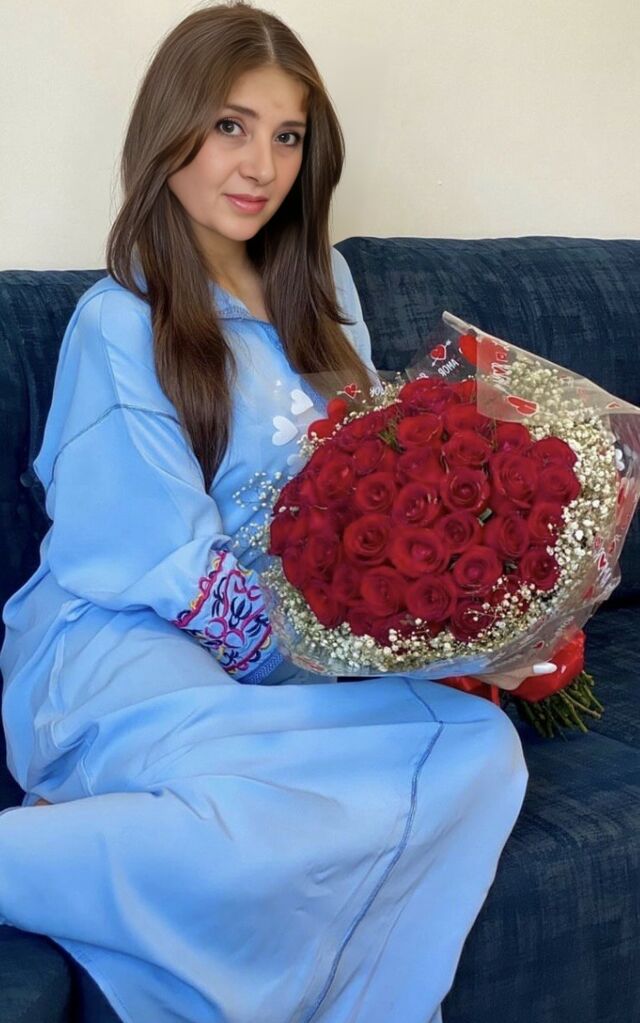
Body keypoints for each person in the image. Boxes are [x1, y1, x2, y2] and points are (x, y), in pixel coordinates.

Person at [0, 4, 538, 1021]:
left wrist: (467, 624)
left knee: (476, 751)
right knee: (245, 817)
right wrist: (342, 654)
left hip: (299, 647)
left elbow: (376, 483)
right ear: (170, 131)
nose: (260, 167)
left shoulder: (323, 286)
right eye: (229, 127)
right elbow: (156, 555)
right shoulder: (118, 319)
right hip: (130, 636)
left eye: (287, 136)